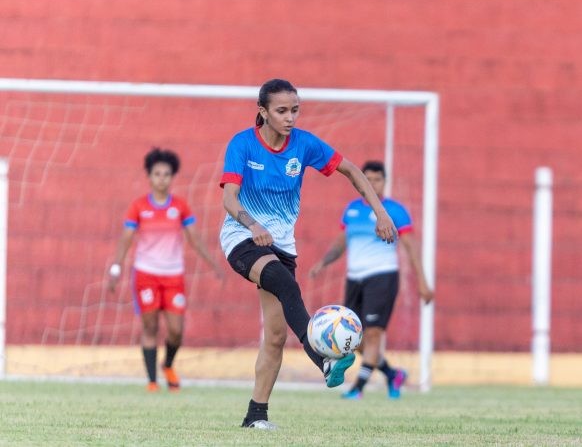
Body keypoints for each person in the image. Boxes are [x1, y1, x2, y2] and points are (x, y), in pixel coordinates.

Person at [220, 79, 397, 430]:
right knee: (287, 286)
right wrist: (252, 224)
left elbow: (351, 171)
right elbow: (229, 198)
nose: (290, 118)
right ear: (263, 112)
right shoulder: (242, 144)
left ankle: (256, 416)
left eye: (295, 110)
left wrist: (380, 211)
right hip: (242, 238)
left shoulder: (303, 145)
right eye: (282, 111)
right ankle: (324, 360)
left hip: (282, 246)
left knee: (274, 335)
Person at [309, 160, 434, 400]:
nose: (373, 184)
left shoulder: (394, 211)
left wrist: (422, 282)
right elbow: (341, 241)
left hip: (382, 275)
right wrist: (323, 262)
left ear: (385, 182)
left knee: (374, 333)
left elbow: (411, 248)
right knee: (354, 338)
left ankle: (358, 388)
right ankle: (392, 373)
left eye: (377, 179)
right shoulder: (352, 209)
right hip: (355, 279)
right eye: (368, 179)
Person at [108, 147, 224, 392]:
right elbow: (126, 239)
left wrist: (213, 264)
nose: (162, 178)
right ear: (149, 176)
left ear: (173, 177)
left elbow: (194, 238)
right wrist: (116, 268)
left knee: (175, 331)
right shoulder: (138, 207)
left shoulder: (180, 207)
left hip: (173, 276)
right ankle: (152, 381)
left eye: (167, 174)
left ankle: (168, 364)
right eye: (157, 174)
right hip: (146, 274)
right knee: (149, 326)